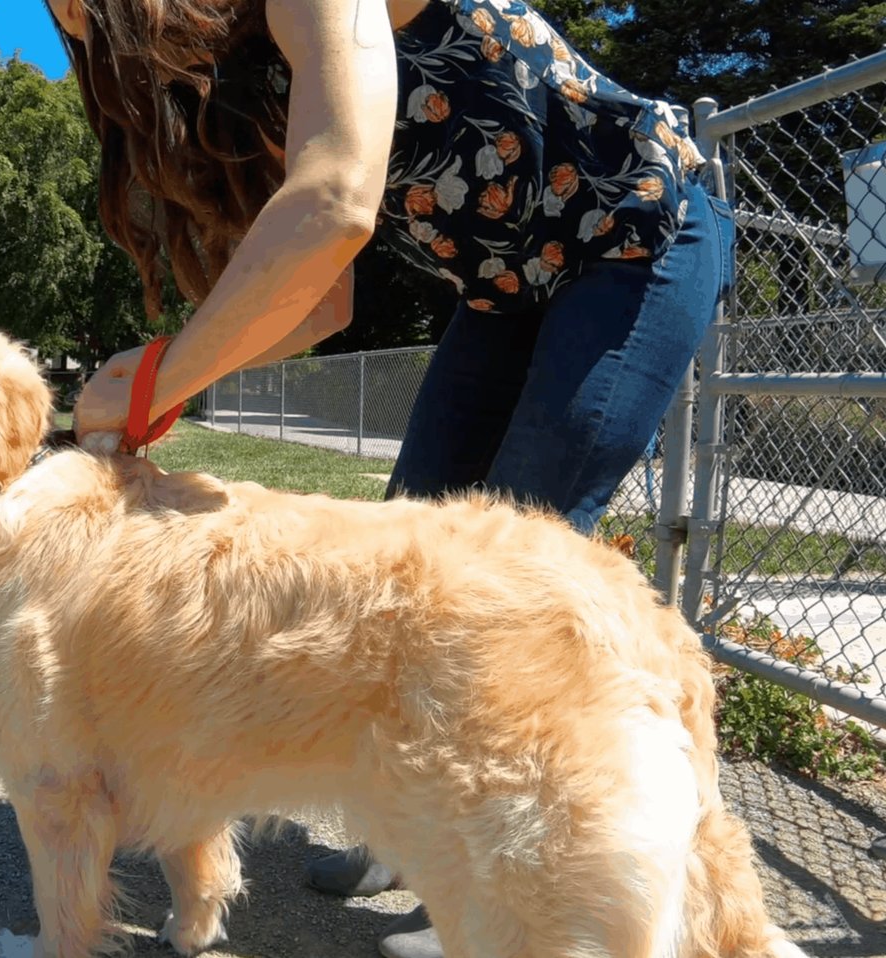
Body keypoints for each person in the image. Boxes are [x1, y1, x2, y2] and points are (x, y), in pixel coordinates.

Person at [48, 0, 734, 955]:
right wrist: (172, 377)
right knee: (404, 564)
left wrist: (162, 375)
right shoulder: (247, 73)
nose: (77, 25)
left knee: (504, 581)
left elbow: (334, 205)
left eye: (86, 10)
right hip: (506, 291)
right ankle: (416, 831)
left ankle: (505, 890)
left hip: (636, 232)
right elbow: (325, 300)